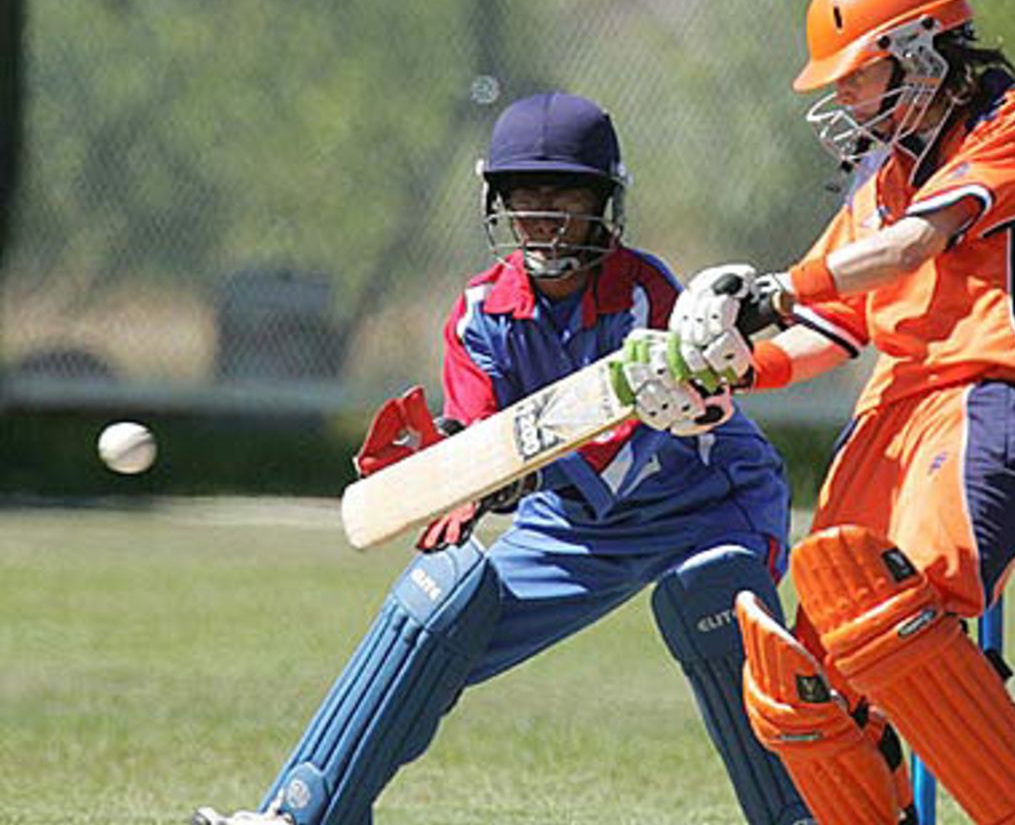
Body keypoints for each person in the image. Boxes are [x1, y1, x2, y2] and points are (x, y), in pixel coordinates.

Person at [192, 92, 858, 825]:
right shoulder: (479, 313)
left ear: (602, 202)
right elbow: (482, 436)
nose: (541, 218)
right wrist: (444, 468)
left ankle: (807, 816)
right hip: (572, 526)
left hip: (706, 503)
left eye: (563, 196)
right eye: (523, 198)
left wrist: (505, 476)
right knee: (437, 604)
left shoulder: (646, 294)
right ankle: (302, 813)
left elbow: (620, 449)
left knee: (716, 600)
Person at [632, 0, 1015, 823]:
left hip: (982, 395)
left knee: (894, 616)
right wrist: (741, 371)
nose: (846, 102)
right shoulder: (880, 181)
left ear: (920, 50)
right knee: (807, 680)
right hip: (885, 415)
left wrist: (773, 292)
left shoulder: (1012, 121)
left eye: (858, 78)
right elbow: (835, 328)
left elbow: (907, 250)